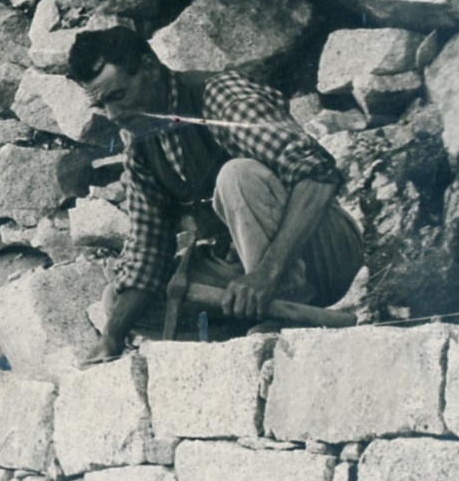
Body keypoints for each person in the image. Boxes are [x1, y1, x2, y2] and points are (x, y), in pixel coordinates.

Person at [67, 26, 363, 359]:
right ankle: (258, 320)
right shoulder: (141, 146)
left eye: (118, 96)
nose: (113, 115)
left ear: (149, 69)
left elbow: (318, 173)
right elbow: (147, 255)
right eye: (101, 104)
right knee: (117, 302)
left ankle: (283, 311)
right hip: (245, 271)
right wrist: (112, 336)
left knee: (237, 175)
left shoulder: (218, 97)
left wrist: (267, 274)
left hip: (321, 253)